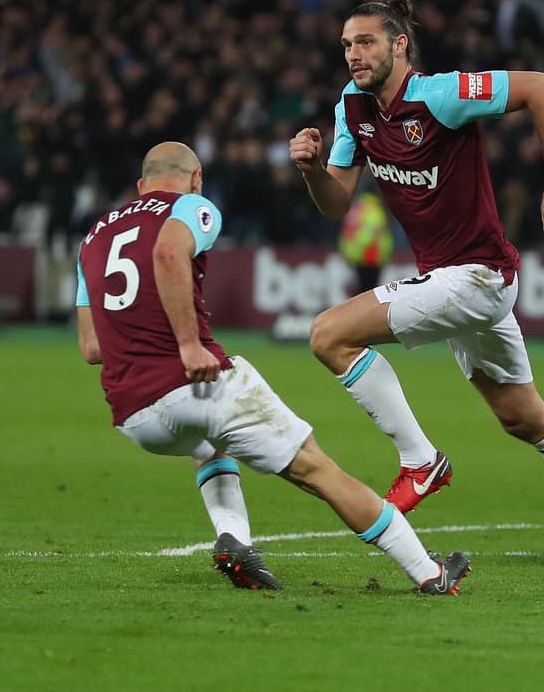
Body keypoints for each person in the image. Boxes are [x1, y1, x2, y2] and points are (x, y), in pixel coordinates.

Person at [289, 0, 544, 573]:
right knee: (523, 417)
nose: (354, 55)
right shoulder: (353, 108)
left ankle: (420, 461)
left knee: (328, 335)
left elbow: (541, 86)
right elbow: (336, 203)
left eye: (365, 42)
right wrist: (313, 171)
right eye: (346, 45)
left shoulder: (441, 95)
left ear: (399, 44)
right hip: (459, 282)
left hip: (478, 277)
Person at [75, 142, 469, 594]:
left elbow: (90, 346)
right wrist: (186, 345)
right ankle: (429, 573)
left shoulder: (93, 239)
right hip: (194, 383)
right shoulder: (191, 207)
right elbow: (167, 253)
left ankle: (234, 540)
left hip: (136, 416)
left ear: (140, 186)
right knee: (318, 470)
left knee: (209, 447)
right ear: (197, 178)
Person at [340, 190, 393, 295]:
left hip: (357, 256)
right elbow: (372, 234)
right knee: (370, 291)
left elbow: (347, 232)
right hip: (371, 256)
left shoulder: (355, 210)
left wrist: (348, 252)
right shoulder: (374, 210)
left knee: (362, 287)